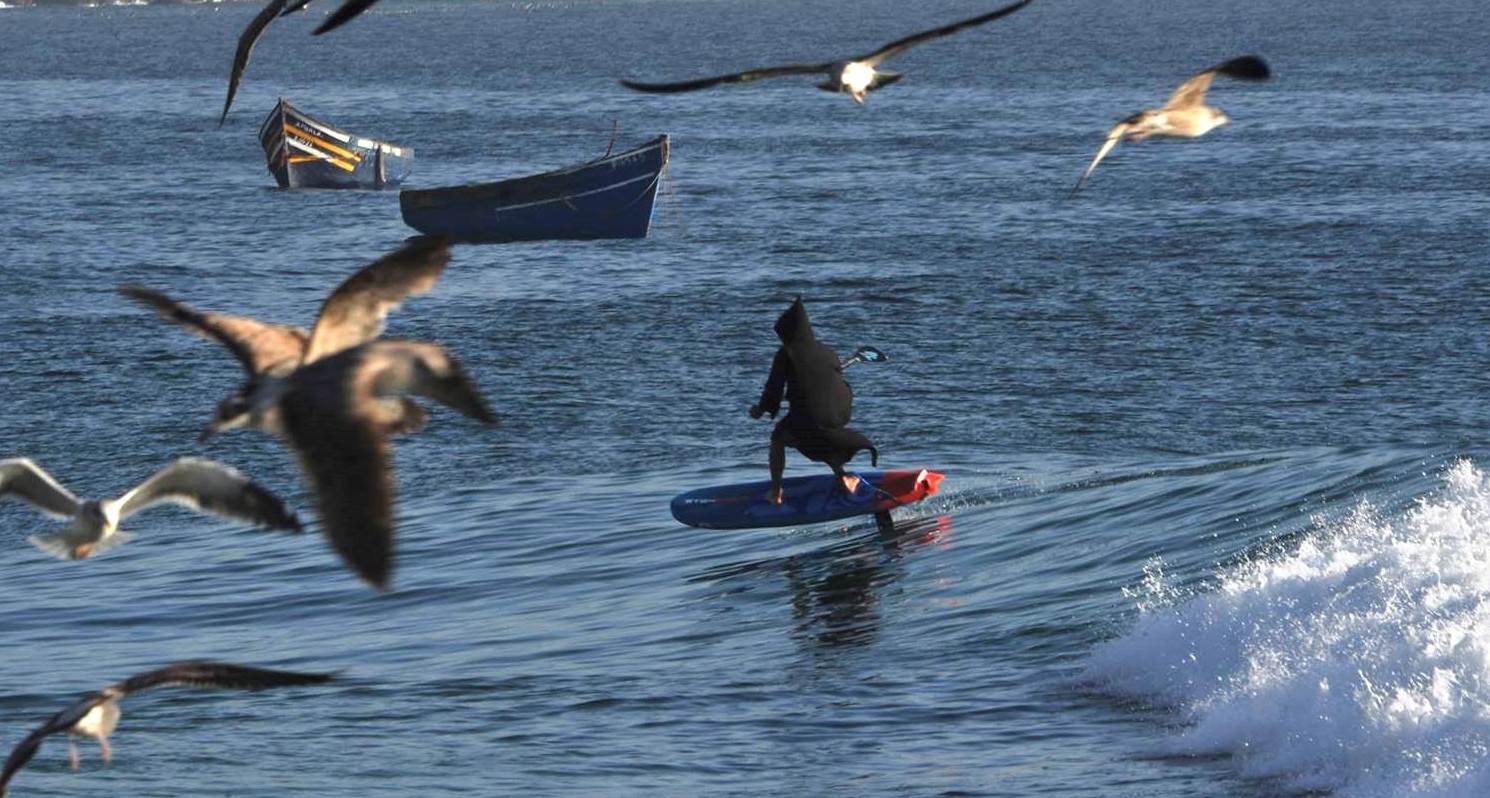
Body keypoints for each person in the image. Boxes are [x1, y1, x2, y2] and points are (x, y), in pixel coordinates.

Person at [749, 298, 878, 504]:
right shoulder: (828, 351)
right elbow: (831, 380)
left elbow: (773, 388)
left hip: (812, 414)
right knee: (820, 435)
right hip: (840, 411)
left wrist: (761, 409)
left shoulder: (786, 353)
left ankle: (775, 492)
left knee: (778, 438)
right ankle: (844, 478)